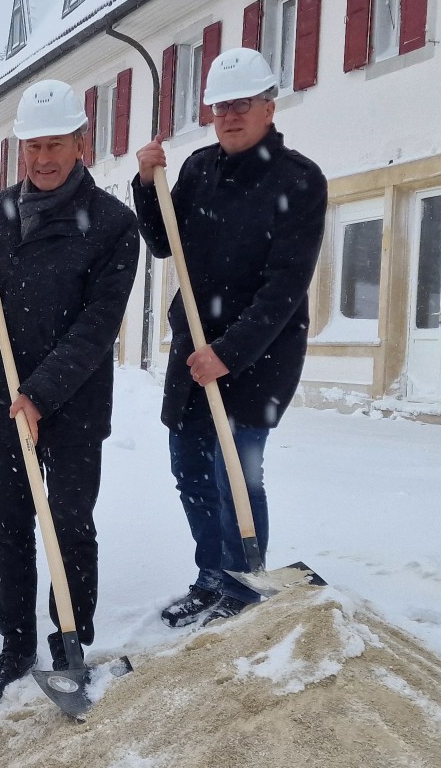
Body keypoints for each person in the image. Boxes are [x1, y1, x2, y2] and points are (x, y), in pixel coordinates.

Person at [0, 80, 139, 700]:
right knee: (11, 525)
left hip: (74, 404)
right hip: (6, 398)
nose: (41, 159)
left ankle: (70, 641)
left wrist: (42, 392)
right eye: (31, 148)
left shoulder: (112, 225)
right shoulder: (4, 210)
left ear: (81, 144)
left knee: (70, 522)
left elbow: (96, 327)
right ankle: (15, 644)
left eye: (54, 146)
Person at [132, 47, 327, 628]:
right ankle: (212, 577)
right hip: (193, 347)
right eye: (219, 107)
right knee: (189, 467)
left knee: (236, 476)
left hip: (258, 357)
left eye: (241, 105)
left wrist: (230, 353)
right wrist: (147, 184)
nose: (229, 116)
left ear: (269, 107)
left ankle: (243, 590)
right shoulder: (196, 170)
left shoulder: (300, 180)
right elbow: (163, 241)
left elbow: (285, 286)